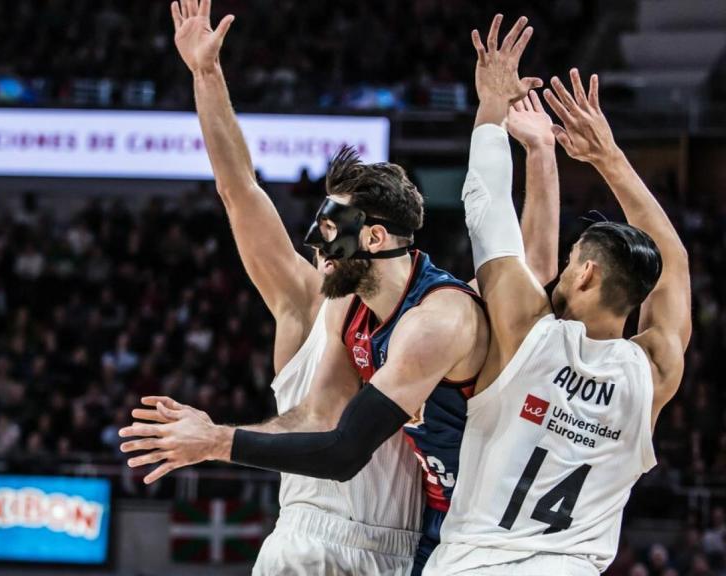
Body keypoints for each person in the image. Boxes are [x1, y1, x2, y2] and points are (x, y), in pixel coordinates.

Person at [121, 12, 554, 574]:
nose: (314, 243)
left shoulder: (441, 314)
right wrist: (207, 75)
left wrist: (539, 152)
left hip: (409, 547)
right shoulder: (314, 302)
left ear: (373, 236)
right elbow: (239, 190)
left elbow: (531, 274)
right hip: (310, 533)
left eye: (329, 229)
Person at [422, 26, 691, 574]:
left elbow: (485, 205)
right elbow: (675, 264)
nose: (560, 273)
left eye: (569, 263)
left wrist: (491, 108)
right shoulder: (656, 370)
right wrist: (609, 158)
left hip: (475, 564)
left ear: (587, 274)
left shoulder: (527, 333)